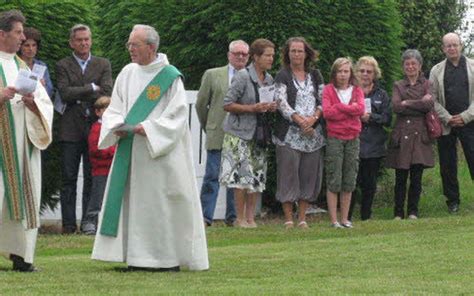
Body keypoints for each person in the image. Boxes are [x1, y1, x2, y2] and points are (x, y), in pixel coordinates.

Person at [92, 25, 208, 271]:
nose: (130, 49)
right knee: (134, 204)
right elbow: (116, 107)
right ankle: (136, 259)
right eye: (129, 45)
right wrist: (115, 126)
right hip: (131, 151)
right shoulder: (127, 72)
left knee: (158, 205)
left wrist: (147, 128)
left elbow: (177, 116)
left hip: (159, 154)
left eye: (135, 45)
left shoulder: (170, 76)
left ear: (152, 47)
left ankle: (164, 259)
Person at [0, 9, 53, 272]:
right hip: (1, 146)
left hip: (23, 146)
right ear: (2, 34)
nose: (23, 38)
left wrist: (34, 105)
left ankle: (21, 256)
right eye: (19, 32)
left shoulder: (24, 68)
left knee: (23, 196)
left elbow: (46, 104)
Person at [56, 24, 113, 234]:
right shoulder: (63, 64)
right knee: (68, 177)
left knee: (92, 176)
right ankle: (68, 224)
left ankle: (90, 222)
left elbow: (106, 92)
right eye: (79, 40)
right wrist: (90, 88)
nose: (84, 43)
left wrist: (82, 92)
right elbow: (65, 93)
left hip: (94, 128)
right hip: (70, 128)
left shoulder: (102, 63)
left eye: (87, 39)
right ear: (72, 42)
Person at [220, 38, 277, 228]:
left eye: (272, 55)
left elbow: (267, 103)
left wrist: (270, 107)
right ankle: (240, 218)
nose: (271, 59)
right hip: (239, 134)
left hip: (259, 135)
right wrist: (253, 108)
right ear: (256, 57)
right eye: (268, 55)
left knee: (257, 177)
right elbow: (227, 104)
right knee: (240, 178)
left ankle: (251, 218)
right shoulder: (243, 76)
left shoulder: (269, 79)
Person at [195, 40, 250, 226]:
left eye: (244, 54)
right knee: (212, 176)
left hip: (241, 135)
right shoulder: (213, 75)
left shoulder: (252, 77)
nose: (240, 57)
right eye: (237, 53)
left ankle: (233, 217)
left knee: (235, 178)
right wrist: (208, 125)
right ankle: (205, 217)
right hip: (217, 132)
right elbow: (201, 104)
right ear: (229, 55)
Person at [273, 37, 325, 229]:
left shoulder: (316, 74)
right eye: (293, 51)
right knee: (288, 175)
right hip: (289, 134)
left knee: (308, 176)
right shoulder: (282, 75)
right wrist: (299, 119)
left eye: (300, 51)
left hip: (313, 134)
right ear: (288, 54)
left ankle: (302, 218)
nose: (296, 54)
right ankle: (288, 218)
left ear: (306, 53)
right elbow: (280, 101)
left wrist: (314, 118)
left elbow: (323, 99)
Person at [386, 49, 435, 220]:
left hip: (420, 134)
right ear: (403, 66)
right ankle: (398, 212)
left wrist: (408, 102)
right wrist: (420, 102)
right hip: (402, 134)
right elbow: (397, 107)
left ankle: (413, 211)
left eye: (414, 63)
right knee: (400, 176)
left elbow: (429, 106)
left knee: (416, 176)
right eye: (407, 64)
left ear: (420, 65)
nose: (411, 66)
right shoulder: (398, 85)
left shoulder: (427, 84)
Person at [430, 32, 474, 214]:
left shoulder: (472, 66)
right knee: (447, 164)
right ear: (443, 48)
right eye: (448, 45)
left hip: (470, 122)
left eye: (455, 44)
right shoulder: (436, 70)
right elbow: (432, 99)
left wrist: (465, 116)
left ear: (461, 46)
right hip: (446, 123)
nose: (452, 48)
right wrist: (447, 117)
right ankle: (453, 201)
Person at [322, 57, 365, 228]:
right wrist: (347, 109)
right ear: (334, 73)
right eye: (339, 71)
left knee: (349, 178)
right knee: (334, 178)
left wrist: (339, 108)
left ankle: (345, 218)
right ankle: (334, 220)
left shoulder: (357, 91)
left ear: (350, 73)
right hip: (335, 138)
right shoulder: (328, 90)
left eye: (346, 71)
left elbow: (360, 109)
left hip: (353, 138)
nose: (343, 75)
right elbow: (327, 113)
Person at [348, 56, 392, 221]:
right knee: (351, 182)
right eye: (362, 71)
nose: (365, 74)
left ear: (375, 74)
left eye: (369, 71)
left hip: (374, 145)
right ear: (357, 72)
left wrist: (371, 117)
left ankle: (366, 216)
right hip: (353, 141)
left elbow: (387, 118)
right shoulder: (349, 91)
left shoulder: (381, 94)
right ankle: (347, 215)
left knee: (369, 184)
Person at [81, 96, 115, 235]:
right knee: (97, 198)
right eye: (105, 110)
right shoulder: (96, 128)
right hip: (100, 170)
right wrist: (114, 152)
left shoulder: (114, 128)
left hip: (112, 169)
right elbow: (96, 149)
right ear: (98, 112)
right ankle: (90, 222)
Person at [17, 27, 53, 98]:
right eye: (27, 45)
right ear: (20, 46)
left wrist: (43, 87)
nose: (31, 49)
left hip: (36, 105)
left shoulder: (41, 65)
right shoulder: (15, 64)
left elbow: (50, 91)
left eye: (34, 45)